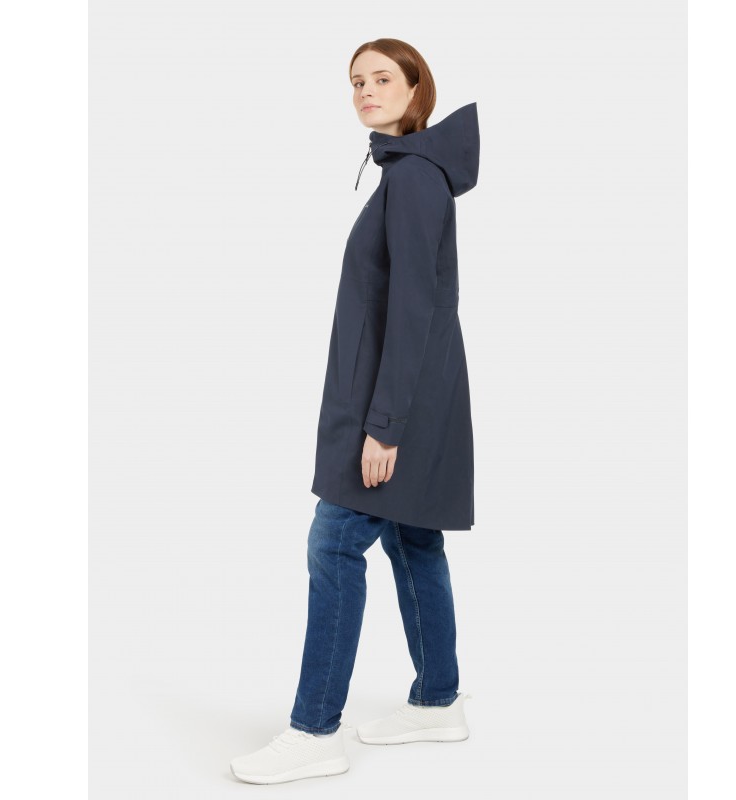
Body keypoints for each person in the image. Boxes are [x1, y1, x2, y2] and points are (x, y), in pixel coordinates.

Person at [230, 38, 479, 785]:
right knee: (412, 540)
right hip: (410, 397)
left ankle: (314, 730)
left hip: (393, 406)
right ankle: (437, 703)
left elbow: (414, 309)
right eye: (356, 81)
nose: (365, 91)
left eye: (381, 79)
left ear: (416, 90)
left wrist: (384, 427)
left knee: (335, 543)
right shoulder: (410, 173)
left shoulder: (415, 179)